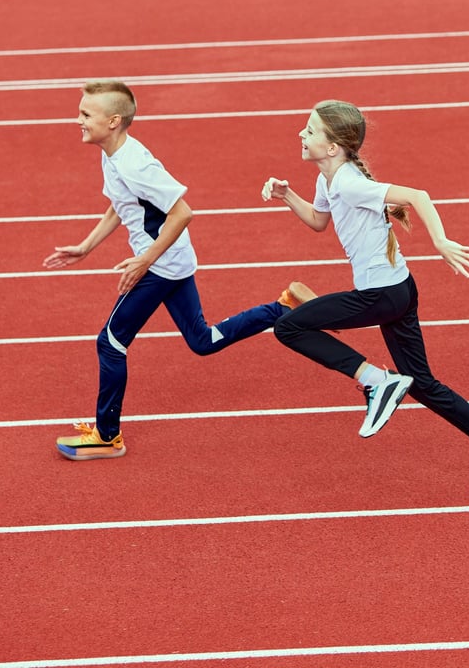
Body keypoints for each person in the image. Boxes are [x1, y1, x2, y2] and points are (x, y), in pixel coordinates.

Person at [262, 100, 469, 496]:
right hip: (398, 290)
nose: (301, 135)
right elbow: (320, 221)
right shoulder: (329, 180)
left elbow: (418, 195)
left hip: (382, 294)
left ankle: (376, 381)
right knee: (424, 385)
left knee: (288, 325)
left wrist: (441, 242)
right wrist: (287, 195)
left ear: (332, 147)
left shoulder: (347, 181)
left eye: (310, 130)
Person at [44, 80, 293, 461]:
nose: (77, 120)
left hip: (160, 265)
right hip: (171, 260)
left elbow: (183, 212)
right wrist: (85, 247)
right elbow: (120, 204)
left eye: (84, 115)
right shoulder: (112, 155)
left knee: (110, 343)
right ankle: (283, 307)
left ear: (113, 121)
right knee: (202, 341)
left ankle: (108, 437)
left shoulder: (136, 162)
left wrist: (145, 261)